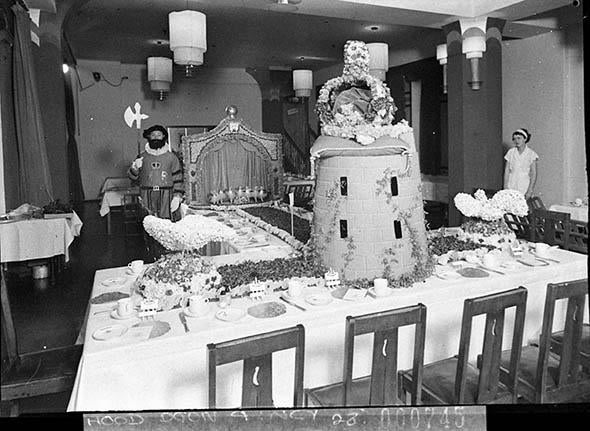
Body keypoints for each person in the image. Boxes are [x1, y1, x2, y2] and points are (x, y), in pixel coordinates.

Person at [128, 125, 184, 221]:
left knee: (166, 223)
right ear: (149, 137)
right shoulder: (141, 157)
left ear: (163, 137)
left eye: (159, 135)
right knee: (148, 223)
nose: (156, 137)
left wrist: (177, 197)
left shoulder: (171, 157)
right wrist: (135, 168)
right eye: (153, 135)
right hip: (146, 195)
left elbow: (178, 178)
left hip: (167, 196)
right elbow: (133, 179)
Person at [503, 128, 538, 200]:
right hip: (511, 184)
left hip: (524, 185)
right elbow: (507, 171)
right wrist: (505, 186)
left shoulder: (531, 154)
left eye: (519, 138)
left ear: (525, 139)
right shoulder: (511, 152)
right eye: (514, 139)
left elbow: (534, 174)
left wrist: (529, 190)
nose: (516, 141)